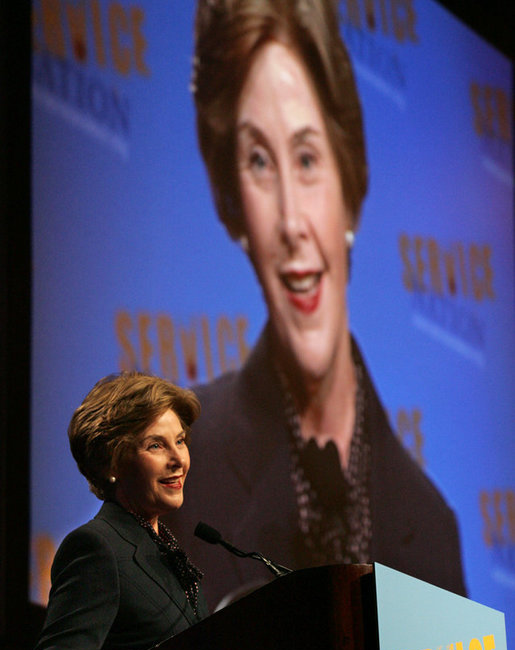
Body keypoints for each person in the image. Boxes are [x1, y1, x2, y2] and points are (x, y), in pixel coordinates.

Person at [174, 0, 467, 609]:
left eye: (307, 159)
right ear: (235, 208)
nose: (289, 221)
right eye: (259, 162)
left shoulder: (433, 526)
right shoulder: (178, 466)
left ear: (349, 186)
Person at [25, 372, 208, 650]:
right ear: (113, 462)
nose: (178, 459)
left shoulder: (166, 551)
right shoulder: (97, 546)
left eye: (180, 441)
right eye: (156, 445)